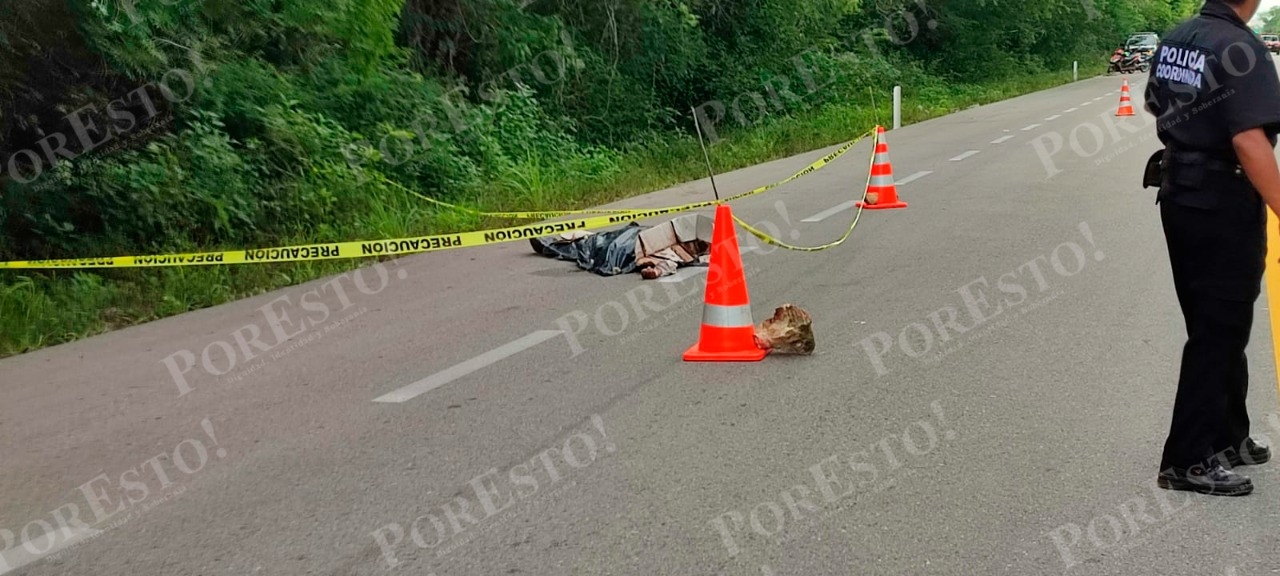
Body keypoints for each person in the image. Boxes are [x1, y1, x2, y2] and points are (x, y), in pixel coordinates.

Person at [1144, 0, 1280, 497]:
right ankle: (1187, 459)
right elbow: (1249, 139)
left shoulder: (1180, 36)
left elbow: (1158, 103)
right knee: (1219, 330)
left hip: (1180, 191)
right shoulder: (1241, 46)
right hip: (1222, 199)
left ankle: (1229, 436)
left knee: (1213, 322)